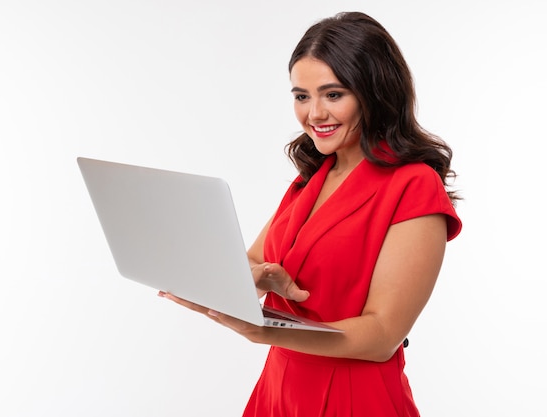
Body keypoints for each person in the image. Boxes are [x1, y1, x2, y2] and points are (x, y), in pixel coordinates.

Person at [161, 11, 462, 417]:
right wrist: (257, 277)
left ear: (375, 92)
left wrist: (263, 328)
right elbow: (252, 259)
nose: (314, 114)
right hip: (279, 388)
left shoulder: (412, 185)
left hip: (354, 397)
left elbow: (383, 335)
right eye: (301, 96)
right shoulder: (313, 179)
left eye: (333, 94)